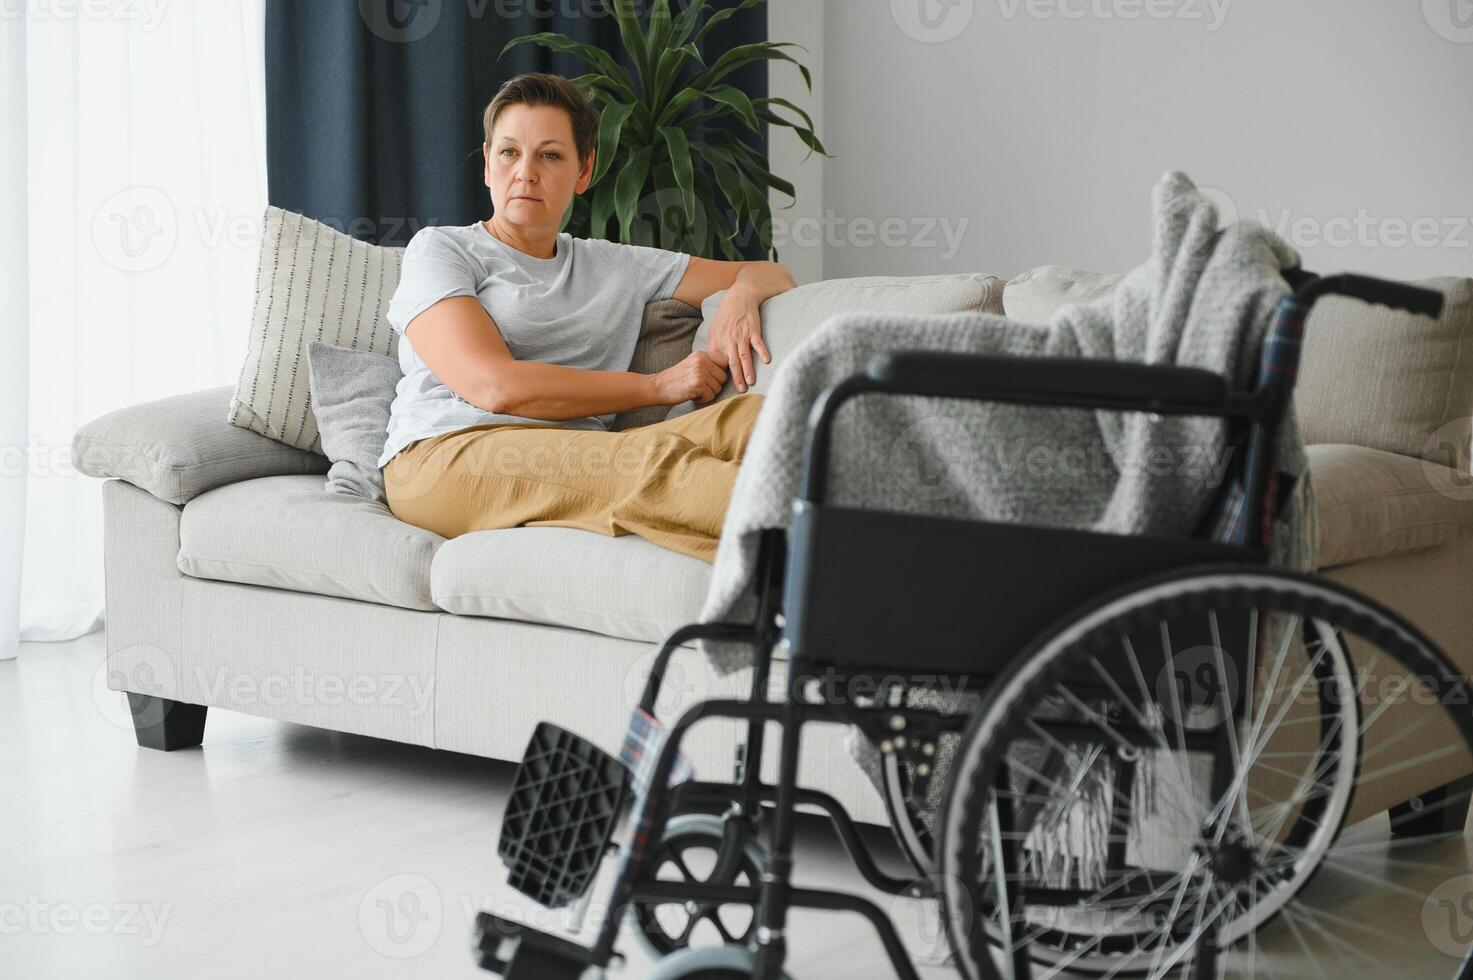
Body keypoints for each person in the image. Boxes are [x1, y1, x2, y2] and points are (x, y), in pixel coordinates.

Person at [379, 73, 796, 562]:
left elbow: (769, 273)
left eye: (550, 155)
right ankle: (847, 565)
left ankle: (797, 572)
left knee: (760, 420)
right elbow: (495, 387)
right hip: (446, 454)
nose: (526, 172)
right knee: (659, 465)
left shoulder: (615, 265)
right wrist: (659, 387)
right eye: (509, 152)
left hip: (575, 454)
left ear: (584, 171)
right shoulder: (443, 250)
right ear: (488, 165)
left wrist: (742, 296)